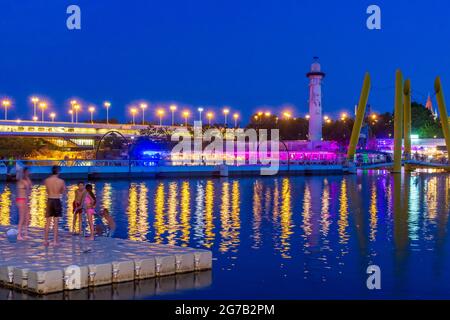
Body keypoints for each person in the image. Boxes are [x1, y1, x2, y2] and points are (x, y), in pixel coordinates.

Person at [44, 166, 66, 247]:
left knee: (48, 222)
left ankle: (45, 241)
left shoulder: (46, 180)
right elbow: (63, 192)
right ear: (58, 171)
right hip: (56, 200)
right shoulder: (61, 181)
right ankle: (55, 241)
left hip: (49, 200)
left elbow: (47, 190)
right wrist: (58, 190)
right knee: (56, 223)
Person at [16, 167, 32, 240]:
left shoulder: (26, 181)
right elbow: (28, 189)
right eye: (28, 172)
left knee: (27, 217)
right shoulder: (22, 181)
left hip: (25, 200)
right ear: (25, 173)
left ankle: (25, 234)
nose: (29, 173)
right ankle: (19, 235)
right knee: (22, 218)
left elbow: (30, 188)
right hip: (21, 200)